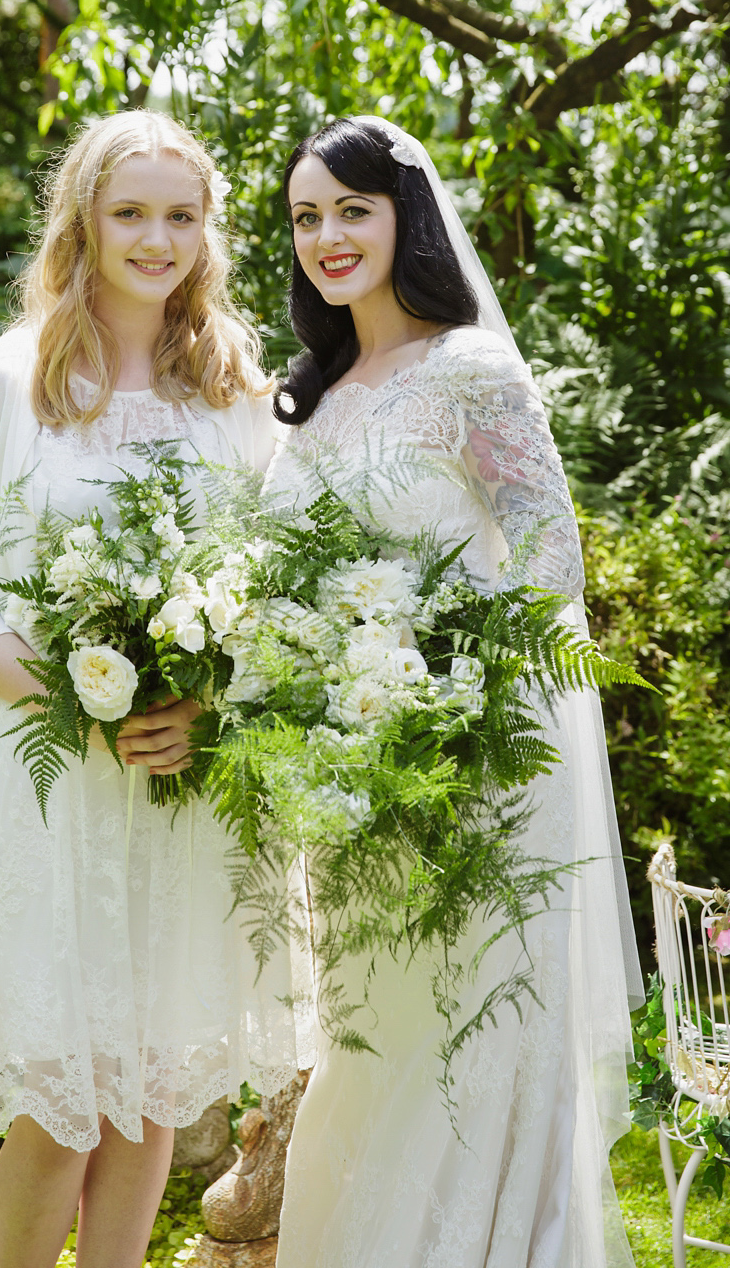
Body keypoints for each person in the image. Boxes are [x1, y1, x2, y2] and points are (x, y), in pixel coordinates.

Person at [0, 110, 309, 1268]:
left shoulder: (237, 385)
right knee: (60, 1102)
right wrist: (76, 710)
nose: (156, 239)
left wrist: (201, 707)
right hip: (49, 789)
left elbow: (275, 582)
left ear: (209, 230)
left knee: (146, 1099)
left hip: (181, 782)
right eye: (130, 213)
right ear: (82, 220)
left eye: (179, 216)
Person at [267, 116, 643, 1268]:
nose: (327, 236)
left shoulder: (470, 367)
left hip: (469, 764)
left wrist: (449, 686)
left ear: (404, 216)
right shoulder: (317, 395)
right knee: (373, 1048)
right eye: (304, 217)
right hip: (350, 778)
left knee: (475, 1040)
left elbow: (549, 553)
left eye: (350, 209)